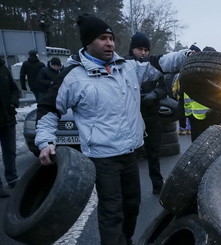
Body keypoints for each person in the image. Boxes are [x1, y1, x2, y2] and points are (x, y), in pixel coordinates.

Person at [35, 14, 192, 245]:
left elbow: (161, 62)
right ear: (88, 42)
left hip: (130, 153)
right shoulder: (73, 77)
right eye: (102, 38)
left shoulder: (128, 68)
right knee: (111, 213)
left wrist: (188, 54)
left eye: (111, 38)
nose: (109, 43)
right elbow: (48, 109)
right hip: (102, 158)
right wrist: (45, 141)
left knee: (131, 206)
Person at [124, 32, 165, 195]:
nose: (143, 53)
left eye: (146, 50)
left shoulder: (153, 66)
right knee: (130, 155)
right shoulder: (122, 66)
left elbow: (163, 88)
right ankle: (131, 190)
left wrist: (154, 94)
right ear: (132, 49)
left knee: (154, 152)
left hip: (150, 115)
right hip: (130, 118)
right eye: (140, 49)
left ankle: (158, 185)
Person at [182, 46, 221, 141]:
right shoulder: (194, 74)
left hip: (206, 118)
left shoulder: (217, 76)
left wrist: (218, 115)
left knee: (204, 146)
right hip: (197, 118)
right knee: (202, 147)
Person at [0, 57, 20, 197]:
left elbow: (14, 88)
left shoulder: (3, 67)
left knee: (10, 151)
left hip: (7, 117)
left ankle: (12, 178)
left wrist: (13, 103)